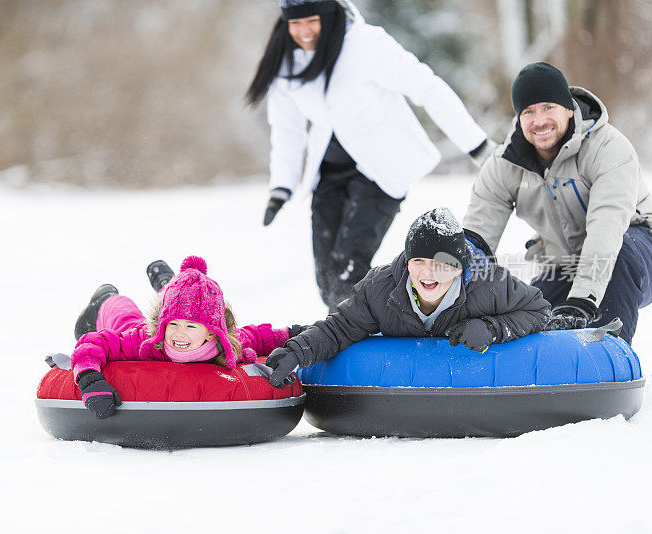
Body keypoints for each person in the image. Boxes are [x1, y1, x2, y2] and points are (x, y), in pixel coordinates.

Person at [247, 0, 495, 312]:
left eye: (311, 21)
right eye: (294, 23)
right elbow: (287, 128)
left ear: (329, 14)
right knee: (327, 281)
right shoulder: (287, 61)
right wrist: (281, 186)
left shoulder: (365, 45)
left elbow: (427, 88)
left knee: (348, 271)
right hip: (329, 171)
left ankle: (398, 320)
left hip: (380, 169)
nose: (303, 31)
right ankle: (360, 328)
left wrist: (477, 145)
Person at [463, 62, 652, 344]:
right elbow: (476, 239)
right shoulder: (504, 165)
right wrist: (453, 299)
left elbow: (607, 226)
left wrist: (582, 299)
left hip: (635, 253)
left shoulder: (608, 148)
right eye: (528, 111)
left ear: (568, 108)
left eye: (548, 107)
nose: (539, 121)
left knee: (618, 255)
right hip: (563, 263)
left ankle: (606, 366)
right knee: (530, 318)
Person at [266, 208, 551, 387]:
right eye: (419, 261)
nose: (428, 273)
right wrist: (296, 353)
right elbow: (340, 328)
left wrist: (492, 329)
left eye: (441, 263)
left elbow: (539, 310)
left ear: (458, 266)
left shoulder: (489, 283)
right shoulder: (380, 288)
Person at [71, 256, 303, 419]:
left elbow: (261, 336)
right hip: (143, 327)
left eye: (191, 326)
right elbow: (93, 343)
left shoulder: (227, 344)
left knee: (180, 305)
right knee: (126, 318)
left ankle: (168, 284)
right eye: (172, 324)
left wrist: (300, 334)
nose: (179, 333)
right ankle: (106, 298)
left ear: (212, 332)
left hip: (185, 312)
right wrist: (90, 381)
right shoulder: (148, 339)